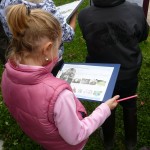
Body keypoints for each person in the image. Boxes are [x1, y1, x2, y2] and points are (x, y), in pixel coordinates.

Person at [1, 4, 119, 150]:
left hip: (41, 135)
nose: (58, 52)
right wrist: (104, 109)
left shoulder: (7, 73)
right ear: (47, 49)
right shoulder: (60, 96)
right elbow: (76, 135)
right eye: (58, 47)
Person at [78, 0, 149, 150]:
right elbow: (142, 35)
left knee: (106, 105)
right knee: (129, 104)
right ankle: (130, 141)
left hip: (100, 74)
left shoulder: (84, 15)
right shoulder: (135, 11)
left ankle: (108, 140)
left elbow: (87, 37)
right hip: (127, 72)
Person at [0, 0, 76, 75]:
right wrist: (74, 17)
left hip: (21, 59)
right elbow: (68, 35)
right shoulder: (55, 86)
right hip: (53, 67)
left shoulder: (4, 3)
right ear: (47, 48)